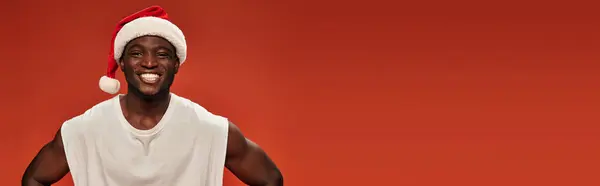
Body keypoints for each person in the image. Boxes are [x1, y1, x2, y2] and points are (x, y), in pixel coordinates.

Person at [21, 5, 283, 186]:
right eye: (137, 53)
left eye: (162, 54)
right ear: (121, 62)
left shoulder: (209, 129)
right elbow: (34, 178)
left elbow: (270, 178)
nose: (149, 63)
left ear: (176, 64)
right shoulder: (85, 129)